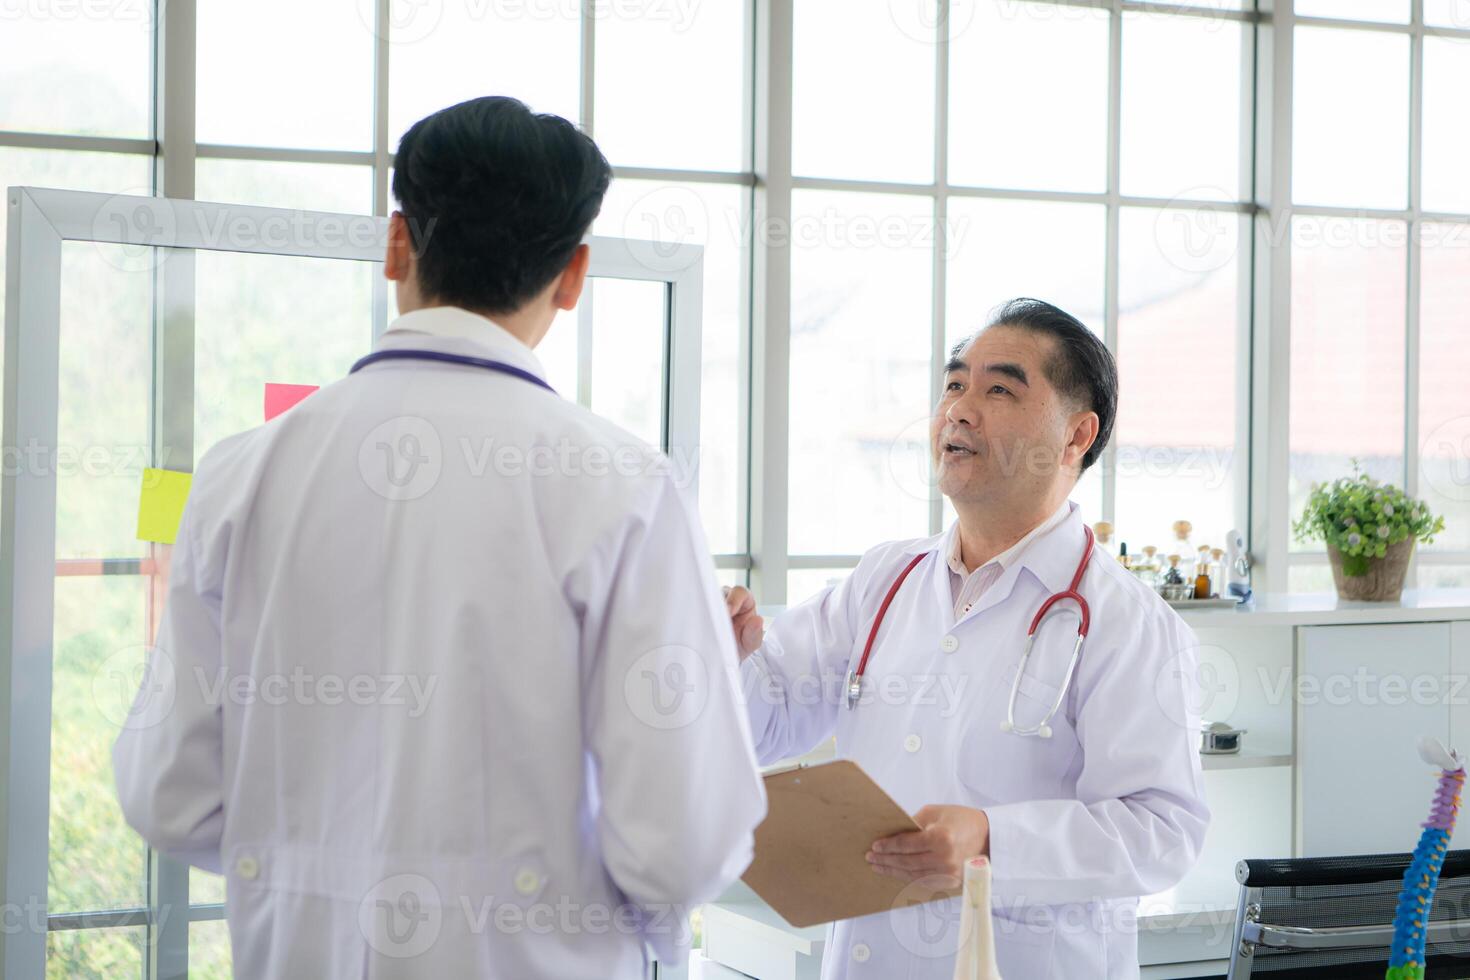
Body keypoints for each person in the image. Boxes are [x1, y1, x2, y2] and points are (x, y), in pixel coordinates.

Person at [113, 96, 766, 979]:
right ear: (573, 276)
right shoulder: (623, 489)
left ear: (396, 245)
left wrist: (321, 862)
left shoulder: (241, 475)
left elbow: (171, 799)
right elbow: (680, 849)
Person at [725, 299, 1209, 979]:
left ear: (1075, 436)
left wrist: (993, 840)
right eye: (954, 385)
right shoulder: (885, 580)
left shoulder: (1127, 625)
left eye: (999, 390)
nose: (959, 409)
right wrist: (732, 654)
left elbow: (1163, 834)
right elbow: (770, 719)